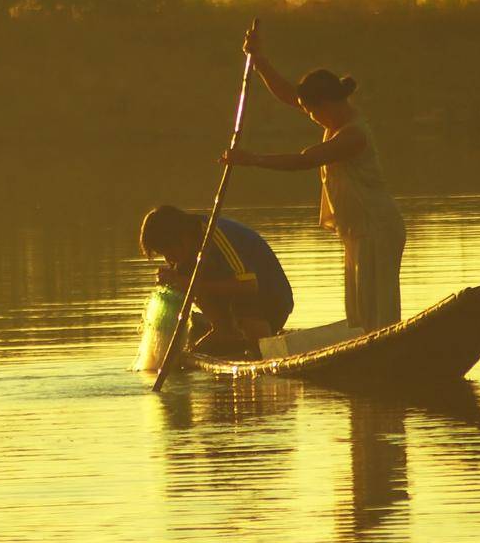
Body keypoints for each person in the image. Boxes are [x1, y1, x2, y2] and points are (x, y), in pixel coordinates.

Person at [221, 23, 406, 332]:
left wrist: (251, 160)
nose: (310, 116)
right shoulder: (333, 118)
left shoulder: (353, 135)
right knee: (359, 312)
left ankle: (386, 355)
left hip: (377, 228)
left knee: (378, 313)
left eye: (312, 111)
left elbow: (304, 160)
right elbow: (288, 94)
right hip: (357, 231)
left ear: (328, 103)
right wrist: (259, 59)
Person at [139, 205, 294, 357]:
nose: (168, 259)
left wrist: (191, 284)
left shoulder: (214, 236)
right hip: (234, 299)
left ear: (183, 236)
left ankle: (259, 343)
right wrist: (174, 281)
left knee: (192, 283)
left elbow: (249, 286)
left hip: (271, 300)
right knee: (184, 278)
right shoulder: (184, 254)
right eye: (163, 254)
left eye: (169, 250)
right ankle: (223, 329)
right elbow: (189, 285)